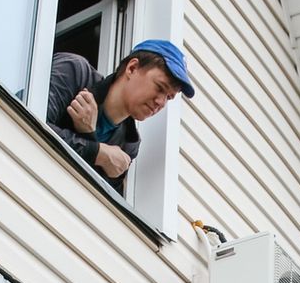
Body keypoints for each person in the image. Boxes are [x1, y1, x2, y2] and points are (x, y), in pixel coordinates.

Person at [46, 38, 196, 191]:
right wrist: (98, 152)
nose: (161, 102)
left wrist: (89, 137)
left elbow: (96, 200)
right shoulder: (75, 71)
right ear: (132, 68)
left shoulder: (129, 143)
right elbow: (32, 121)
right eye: (159, 87)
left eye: (169, 97)